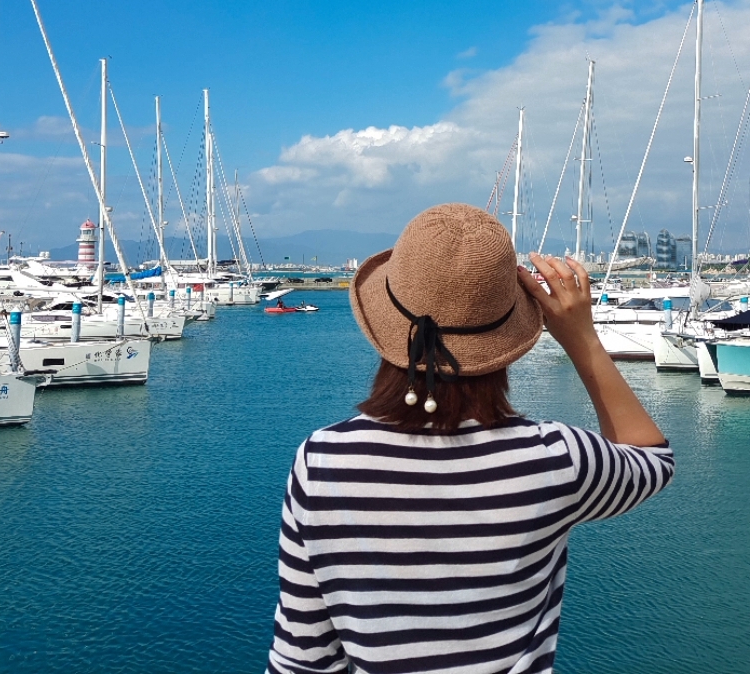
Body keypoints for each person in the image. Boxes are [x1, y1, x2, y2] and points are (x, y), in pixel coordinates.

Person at [265, 203, 674, 674]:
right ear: (510, 330)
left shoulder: (321, 464)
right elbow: (653, 458)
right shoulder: (555, 460)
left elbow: (303, 660)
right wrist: (582, 340)